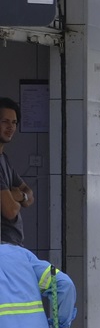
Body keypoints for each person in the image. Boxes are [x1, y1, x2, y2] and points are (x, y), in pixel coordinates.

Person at [0, 97, 35, 246]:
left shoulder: (4, 159)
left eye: (14, 123)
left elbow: (30, 196)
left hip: (11, 245)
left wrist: (18, 195)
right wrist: (21, 197)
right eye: (5, 122)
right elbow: (10, 210)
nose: (11, 127)